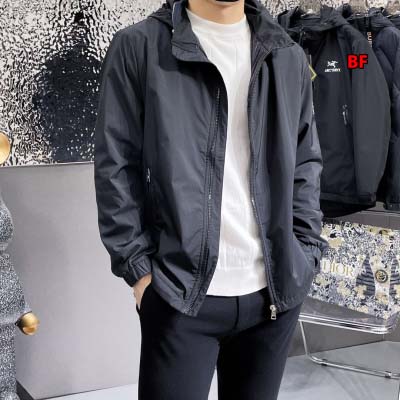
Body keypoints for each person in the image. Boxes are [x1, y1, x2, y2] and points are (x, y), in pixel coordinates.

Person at [94, 0, 329, 398]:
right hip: (180, 294)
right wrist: (140, 270)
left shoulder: (285, 53)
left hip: (272, 295)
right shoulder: (139, 47)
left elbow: (305, 160)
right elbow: (115, 165)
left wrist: (305, 250)